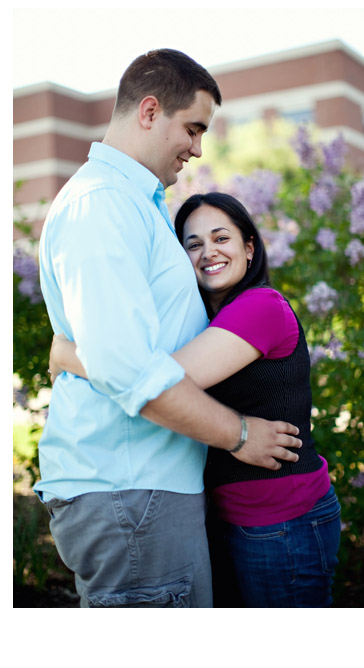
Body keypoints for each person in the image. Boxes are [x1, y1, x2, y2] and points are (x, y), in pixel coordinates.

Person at [37, 49, 302, 608]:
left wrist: (72, 353)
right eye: (194, 127)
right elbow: (130, 370)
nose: (199, 148)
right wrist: (239, 435)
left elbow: (128, 355)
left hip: (142, 490)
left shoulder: (135, 204)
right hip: (129, 491)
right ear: (150, 111)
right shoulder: (104, 205)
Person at [52, 192, 341, 607]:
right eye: (193, 244)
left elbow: (162, 380)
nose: (209, 252)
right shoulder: (208, 321)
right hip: (237, 519)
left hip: (282, 524)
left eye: (221, 238)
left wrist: (67, 354)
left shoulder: (260, 306)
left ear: (249, 247)